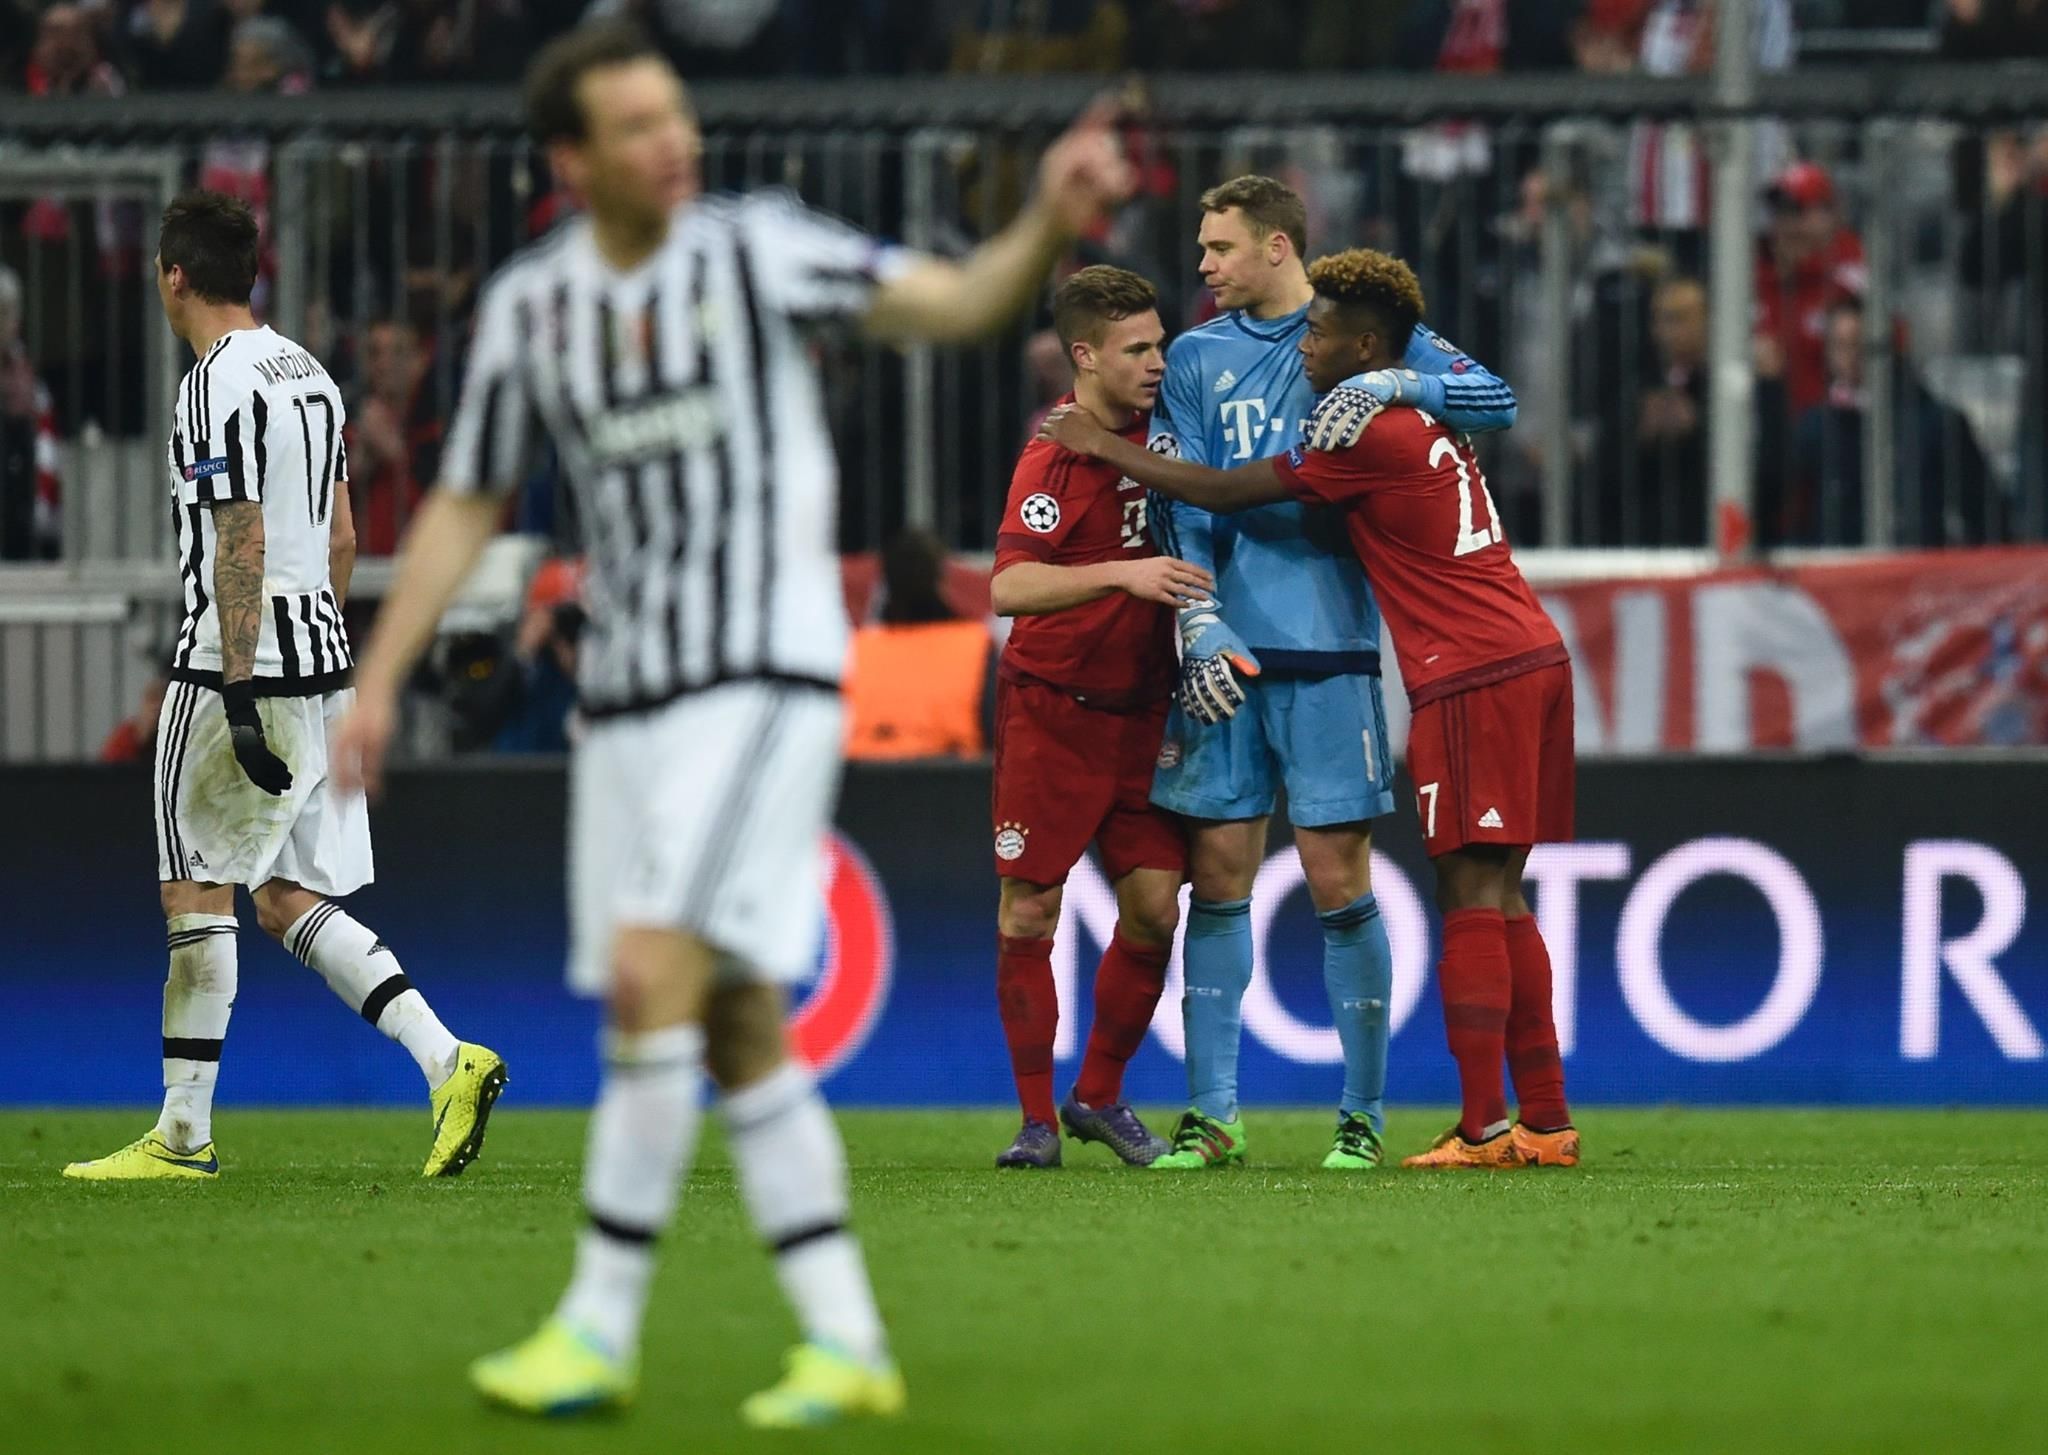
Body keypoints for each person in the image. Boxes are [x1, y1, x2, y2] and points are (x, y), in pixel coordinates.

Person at [329, 21, 1131, 1426]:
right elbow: (465, 497)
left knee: (651, 980)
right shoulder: (532, 308)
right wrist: (380, 676)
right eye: (638, 124)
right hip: (629, 704)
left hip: (763, 673)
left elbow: (947, 303)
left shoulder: (752, 247)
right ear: (574, 161)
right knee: (739, 1019)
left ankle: (594, 1322)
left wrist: (1040, 225)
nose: (673, 140)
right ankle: (846, 1339)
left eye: (677, 111)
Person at [1038, 246, 1580, 1171]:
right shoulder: (1412, 410)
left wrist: (1108, 449)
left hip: (1468, 670)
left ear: (1366, 344)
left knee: (1469, 897)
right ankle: (1545, 1119)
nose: (1306, 350)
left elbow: (1229, 489)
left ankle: (1484, 1125)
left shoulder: (1365, 429)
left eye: (1323, 336)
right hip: (1528, 650)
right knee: (1502, 893)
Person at [63, 191, 505, 1185]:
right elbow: (343, 537)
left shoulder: (211, 383)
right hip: (319, 661)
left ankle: (182, 1136)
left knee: (196, 888)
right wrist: (315, 660)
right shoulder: (311, 373)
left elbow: (239, 534)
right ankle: (448, 1060)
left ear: (174, 275)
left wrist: (236, 682)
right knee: (282, 894)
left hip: (237, 665)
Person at [1143, 175, 1517, 1173]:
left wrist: (1402, 385)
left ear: (1276, 246)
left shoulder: (1356, 333)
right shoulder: (1193, 355)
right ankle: (1211, 1115)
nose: (1203, 264)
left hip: (1335, 647)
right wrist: (1197, 614)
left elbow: (1497, 400)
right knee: (1216, 877)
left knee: (1333, 877)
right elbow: (1182, 494)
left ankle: (1360, 1115)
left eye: (1219, 246)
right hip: (1224, 656)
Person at [985, 265, 1209, 1170]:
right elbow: (1010, 585)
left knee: (1156, 908)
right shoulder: (1053, 458)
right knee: (1031, 908)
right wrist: (1120, 574)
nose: (1159, 360)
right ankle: (1037, 1121)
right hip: (1053, 713)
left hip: (1140, 715)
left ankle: (1099, 1095)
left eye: (1159, 342)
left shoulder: (1165, 435)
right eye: (1138, 348)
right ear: (1084, 356)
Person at [844, 529, 994, 762]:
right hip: (953, 782)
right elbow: (997, 730)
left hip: (861, 781)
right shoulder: (975, 646)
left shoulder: (855, 650)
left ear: (884, 585)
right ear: (941, 580)